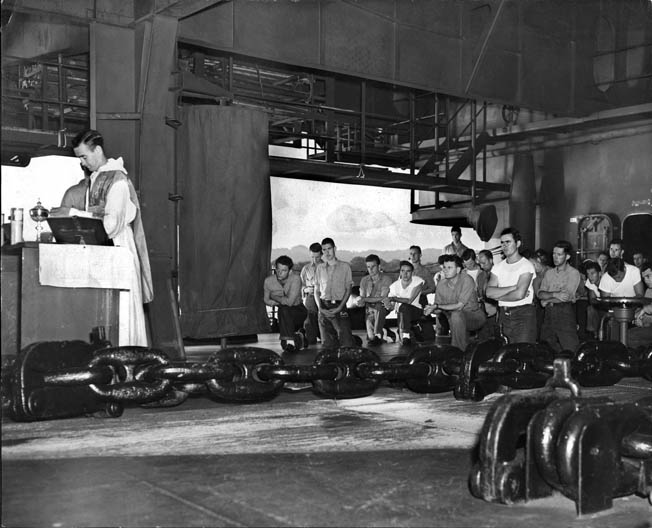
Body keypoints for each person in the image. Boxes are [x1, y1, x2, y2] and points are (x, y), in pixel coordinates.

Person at [53, 129, 153, 347]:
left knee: (123, 314)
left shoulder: (117, 180)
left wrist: (72, 214)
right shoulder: (97, 178)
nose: (82, 163)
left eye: (84, 157)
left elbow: (111, 224)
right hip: (104, 251)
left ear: (97, 150)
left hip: (118, 249)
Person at [486, 227, 536, 343]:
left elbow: (519, 295)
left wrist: (498, 296)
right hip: (504, 315)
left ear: (518, 243)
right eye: (502, 243)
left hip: (523, 315)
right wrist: (513, 287)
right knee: (505, 354)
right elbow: (488, 292)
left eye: (508, 242)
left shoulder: (526, 265)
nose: (504, 246)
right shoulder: (498, 267)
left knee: (522, 353)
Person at [425, 255, 485, 351]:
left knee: (456, 315)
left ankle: (457, 353)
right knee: (455, 318)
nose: (445, 270)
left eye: (449, 267)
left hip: (474, 316)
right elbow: (439, 310)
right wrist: (430, 309)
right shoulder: (441, 284)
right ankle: (461, 353)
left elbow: (459, 306)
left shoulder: (467, 280)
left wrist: (437, 306)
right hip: (454, 319)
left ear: (458, 270)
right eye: (444, 267)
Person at [537, 240, 581, 352]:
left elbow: (566, 297)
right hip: (548, 314)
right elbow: (540, 293)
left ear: (567, 256)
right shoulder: (549, 273)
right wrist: (555, 294)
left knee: (570, 348)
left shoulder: (573, 273)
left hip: (564, 313)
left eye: (559, 254)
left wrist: (547, 300)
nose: (555, 257)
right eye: (554, 254)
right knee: (546, 347)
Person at [314, 237, 355, 348]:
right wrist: (320, 308)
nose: (327, 252)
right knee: (327, 347)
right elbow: (316, 290)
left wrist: (340, 307)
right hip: (324, 306)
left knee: (346, 345)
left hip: (340, 306)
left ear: (335, 248)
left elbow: (348, 289)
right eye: (324, 250)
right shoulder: (319, 268)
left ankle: (353, 339)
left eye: (329, 248)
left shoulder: (345, 267)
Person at [264, 255, 308, 352]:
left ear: (290, 271)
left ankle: (291, 339)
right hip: (283, 313)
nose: (279, 273)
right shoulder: (268, 281)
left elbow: (290, 302)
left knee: (284, 308)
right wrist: (278, 301)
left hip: (299, 311)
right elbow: (266, 300)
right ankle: (297, 338)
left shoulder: (296, 279)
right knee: (283, 309)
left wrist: (274, 297)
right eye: (278, 269)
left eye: (284, 270)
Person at [383, 261, 424, 346]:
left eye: (408, 271)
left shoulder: (418, 281)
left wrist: (393, 298)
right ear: (400, 272)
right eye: (402, 271)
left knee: (405, 306)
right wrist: (388, 305)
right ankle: (408, 332)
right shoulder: (394, 286)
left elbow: (409, 300)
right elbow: (392, 307)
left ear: (412, 273)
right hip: (401, 314)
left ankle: (406, 335)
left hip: (416, 310)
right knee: (402, 309)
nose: (405, 274)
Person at [356, 254, 393, 346]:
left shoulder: (386, 279)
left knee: (379, 306)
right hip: (369, 309)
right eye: (368, 267)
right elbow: (362, 298)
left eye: (373, 267)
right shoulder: (364, 280)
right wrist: (359, 301)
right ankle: (385, 331)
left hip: (383, 307)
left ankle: (378, 334)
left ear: (379, 266)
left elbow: (383, 298)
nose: (370, 269)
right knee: (370, 338)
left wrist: (365, 299)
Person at [300, 242, 323, 345]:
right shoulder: (306, 269)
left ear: (321, 255)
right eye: (312, 257)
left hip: (323, 296)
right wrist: (305, 290)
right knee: (308, 318)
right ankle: (310, 339)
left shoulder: (327, 267)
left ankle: (323, 337)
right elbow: (301, 285)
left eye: (317, 257)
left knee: (324, 318)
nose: (314, 260)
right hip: (310, 296)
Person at [628, 263, 652, 348]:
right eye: (644, 278)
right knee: (625, 334)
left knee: (629, 336)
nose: (646, 280)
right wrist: (639, 319)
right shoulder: (649, 291)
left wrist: (643, 311)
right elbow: (644, 310)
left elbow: (647, 309)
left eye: (648, 276)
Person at [477, 249, 499, 340]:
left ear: (491, 260)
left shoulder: (499, 273)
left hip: (497, 314)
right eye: (480, 264)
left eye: (484, 263)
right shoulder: (480, 276)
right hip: (483, 315)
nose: (482, 266)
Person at [583, 261, 605, 339]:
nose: (590, 277)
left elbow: (605, 300)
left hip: (611, 308)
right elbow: (592, 300)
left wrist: (598, 301)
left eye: (592, 273)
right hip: (600, 306)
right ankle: (594, 335)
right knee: (590, 309)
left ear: (599, 273)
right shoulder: (590, 282)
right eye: (588, 274)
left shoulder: (606, 280)